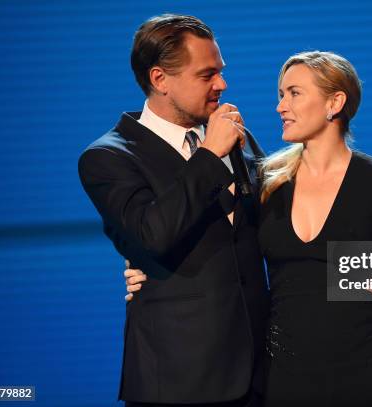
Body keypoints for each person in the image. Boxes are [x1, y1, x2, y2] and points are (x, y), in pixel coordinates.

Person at [124, 50, 372, 406]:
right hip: (285, 375)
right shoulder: (266, 183)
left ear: (335, 102)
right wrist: (149, 268)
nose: (280, 107)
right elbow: (219, 239)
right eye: (280, 94)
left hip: (370, 367)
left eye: (294, 93)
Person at [78, 14, 269, 406]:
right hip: (180, 382)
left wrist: (368, 272)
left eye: (221, 71)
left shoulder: (234, 137)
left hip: (260, 378)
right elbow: (153, 234)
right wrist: (211, 154)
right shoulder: (108, 157)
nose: (222, 85)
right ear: (160, 79)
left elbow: (287, 228)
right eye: (207, 75)